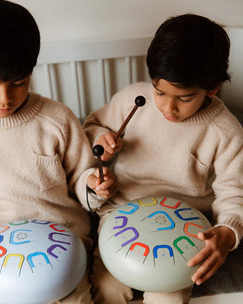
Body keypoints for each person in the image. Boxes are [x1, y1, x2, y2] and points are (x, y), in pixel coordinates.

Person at [0, 1, 114, 303]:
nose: (4, 98)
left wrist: (95, 186)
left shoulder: (57, 119)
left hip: (61, 241)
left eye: (18, 83)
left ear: (31, 70)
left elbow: (82, 180)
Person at [83, 14, 243, 304]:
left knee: (168, 296)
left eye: (183, 98)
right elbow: (93, 124)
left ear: (213, 87)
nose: (168, 107)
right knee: (107, 290)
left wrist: (227, 232)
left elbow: (235, 193)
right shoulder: (133, 100)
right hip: (121, 212)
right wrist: (100, 140)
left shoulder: (226, 132)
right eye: (159, 92)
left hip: (185, 225)